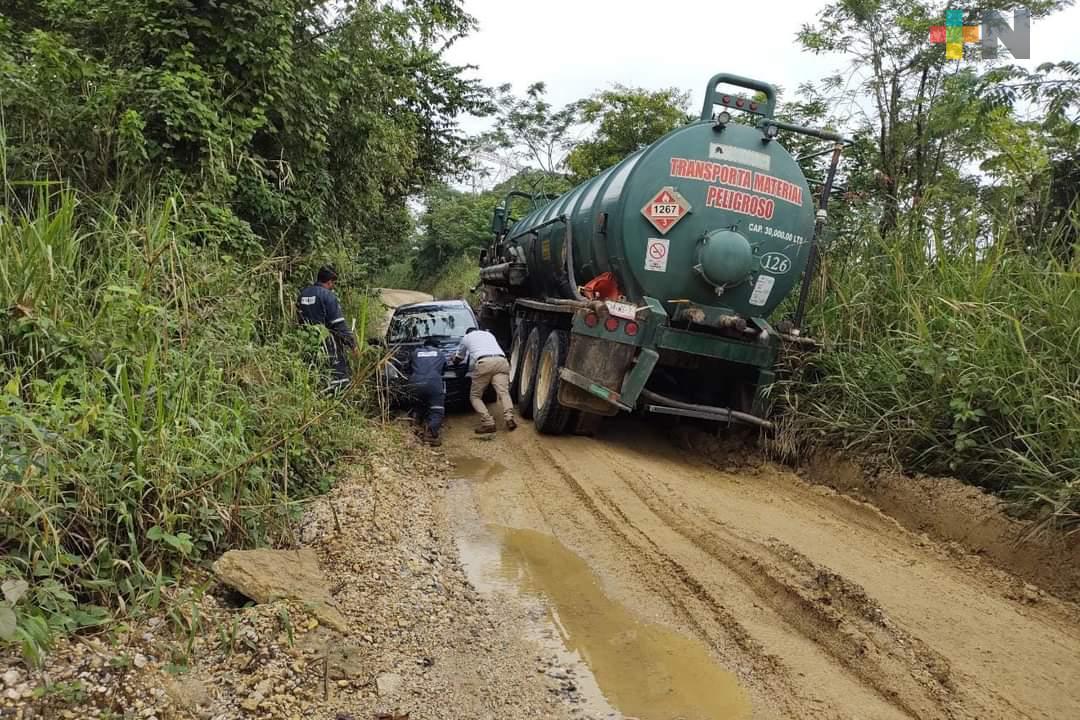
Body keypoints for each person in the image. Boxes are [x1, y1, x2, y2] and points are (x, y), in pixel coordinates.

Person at [297, 265, 356, 392]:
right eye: (333, 283)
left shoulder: (303, 294)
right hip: (327, 343)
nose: (333, 286)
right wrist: (352, 344)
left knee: (315, 375)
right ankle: (335, 401)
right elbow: (338, 324)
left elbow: (300, 319)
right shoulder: (328, 296)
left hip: (307, 342)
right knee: (338, 379)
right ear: (329, 282)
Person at [452, 327, 516, 434]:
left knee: (475, 396)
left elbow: (459, 357)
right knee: (503, 392)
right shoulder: (489, 334)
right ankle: (509, 418)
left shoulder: (466, 337)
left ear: (467, 333)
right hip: (501, 361)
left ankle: (488, 423)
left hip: (484, 363)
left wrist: (454, 362)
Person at [406, 337, 448, 446]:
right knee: (436, 410)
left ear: (424, 345)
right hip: (434, 383)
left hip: (415, 383)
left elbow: (408, 368)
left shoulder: (415, 353)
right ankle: (429, 435)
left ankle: (412, 429)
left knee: (416, 405)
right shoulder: (440, 353)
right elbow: (444, 370)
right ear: (436, 346)